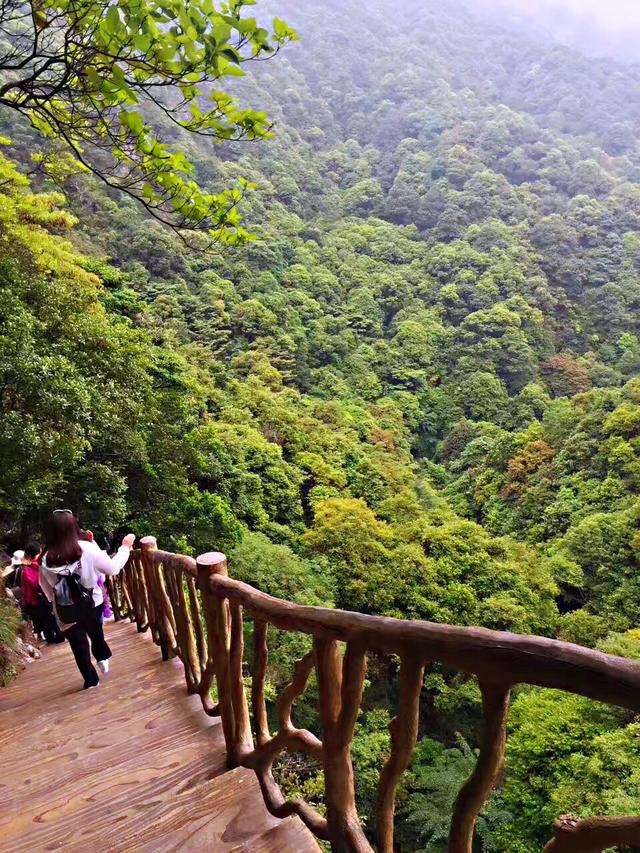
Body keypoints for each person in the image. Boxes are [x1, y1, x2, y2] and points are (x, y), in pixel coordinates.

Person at [39, 510, 135, 690]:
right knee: (96, 633)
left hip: (65, 609)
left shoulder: (45, 559)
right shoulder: (88, 548)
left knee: (78, 647)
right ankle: (102, 658)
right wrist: (125, 547)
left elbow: (46, 589)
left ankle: (91, 681)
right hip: (92, 602)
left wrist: (60, 602)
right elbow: (112, 568)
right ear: (74, 527)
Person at [20, 542, 64, 644]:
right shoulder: (45, 563)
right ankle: (60, 636)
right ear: (40, 551)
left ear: (29, 555)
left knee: (45, 621)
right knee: (55, 617)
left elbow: (29, 587)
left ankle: (50, 639)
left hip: (38, 600)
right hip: (51, 595)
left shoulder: (26, 570)